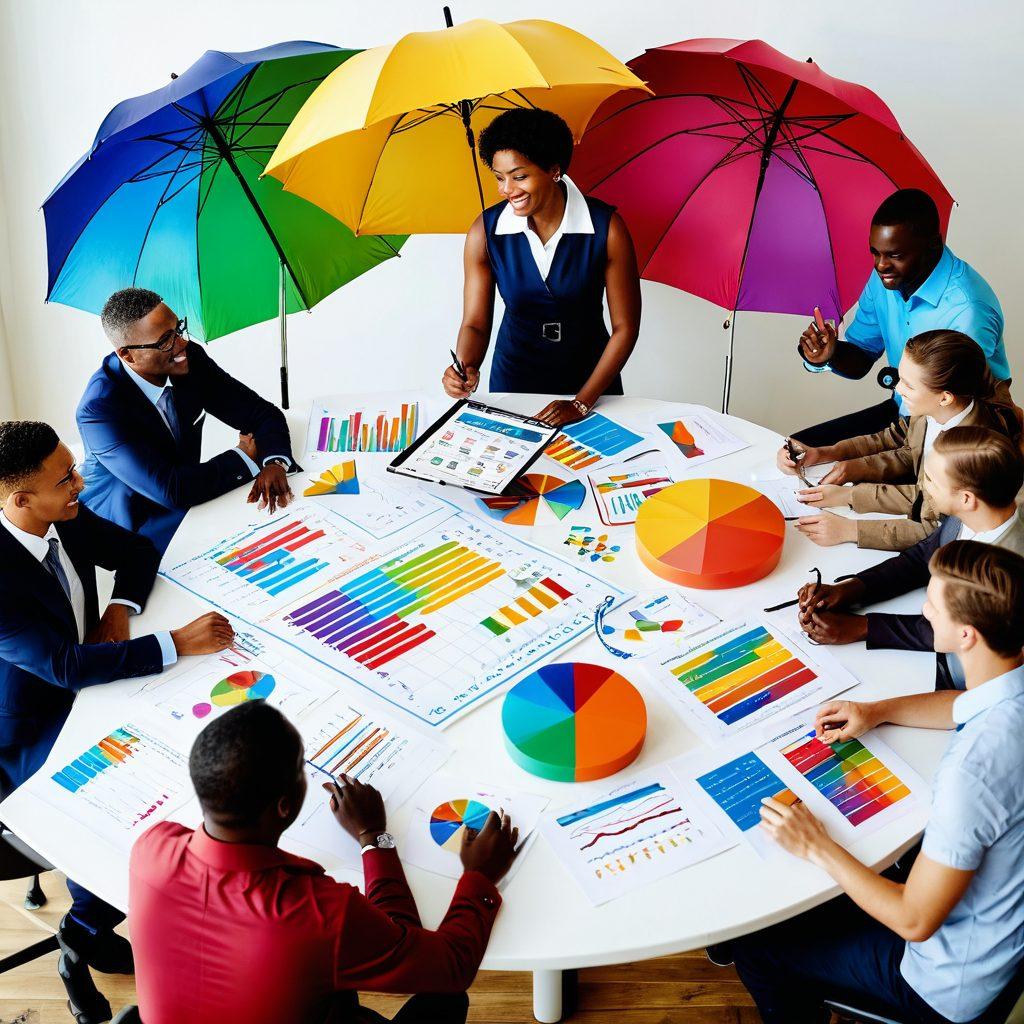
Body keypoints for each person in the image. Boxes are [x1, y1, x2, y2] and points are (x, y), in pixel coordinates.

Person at [729, 541, 1024, 1023]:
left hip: (946, 983)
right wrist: (877, 710)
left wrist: (814, 845)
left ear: (966, 635)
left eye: (934, 599)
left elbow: (915, 920)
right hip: (1001, 924)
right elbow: (963, 706)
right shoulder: (1012, 678)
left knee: (759, 946)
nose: (924, 606)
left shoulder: (973, 772)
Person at [0, 420, 234, 988]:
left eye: (73, 468)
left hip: (86, 686)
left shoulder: (63, 518)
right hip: (27, 725)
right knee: (123, 803)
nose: (81, 482)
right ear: (21, 499)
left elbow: (135, 550)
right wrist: (173, 644)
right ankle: (85, 925)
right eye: (66, 478)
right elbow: (61, 666)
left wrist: (120, 607)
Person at [129, 702, 519, 1023]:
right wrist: (477, 873)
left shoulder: (151, 848)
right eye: (302, 767)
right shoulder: (317, 913)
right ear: (284, 805)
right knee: (448, 1000)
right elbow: (448, 964)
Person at [441, 108, 641, 427]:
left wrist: (581, 403)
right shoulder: (484, 231)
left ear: (553, 170)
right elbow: (475, 323)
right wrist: (465, 367)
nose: (507, 189)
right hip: (515, 380)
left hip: (593, 382)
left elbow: (625, 328)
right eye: (499, 177)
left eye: (519, 176)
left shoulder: (608, 228)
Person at [797, 426, 1024, 689]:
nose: (923, 487)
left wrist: (863, 627)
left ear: (966, 498)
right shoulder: (971, 513)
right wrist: (852, 589)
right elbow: (920, 558)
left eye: (930, 480)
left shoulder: (1006, 565)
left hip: (959, 680)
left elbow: (958, 629)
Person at [77, 287, 298, 553]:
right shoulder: (99, 410)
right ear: (128, 355)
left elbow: (261, 413)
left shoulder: (187, 359)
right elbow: (173, 490)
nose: (181, 344)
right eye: (165, 341)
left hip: (193, 501)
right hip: (134, 527)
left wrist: (273, 462)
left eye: (178, 329)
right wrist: (244, 457)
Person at [792, 188, 1013, 447]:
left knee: (836, 475)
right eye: (875, 253)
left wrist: (855, 464)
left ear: (933, 243)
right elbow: (861, 357)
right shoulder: (884, 279)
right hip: (905, 414)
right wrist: (830, 355)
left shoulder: (968, 309)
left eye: (895, 255)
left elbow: (956, 407)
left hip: (960, 437)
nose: (881, 265)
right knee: (798, 449)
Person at [781, 330, 1019, 550]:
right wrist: (829, 453)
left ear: (945, 397)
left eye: (908, 385)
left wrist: (851, 521)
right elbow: (902, 443)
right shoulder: (930, 411)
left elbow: (933, 525)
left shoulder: (972, 451)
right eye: (900, 377)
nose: (897, 389)